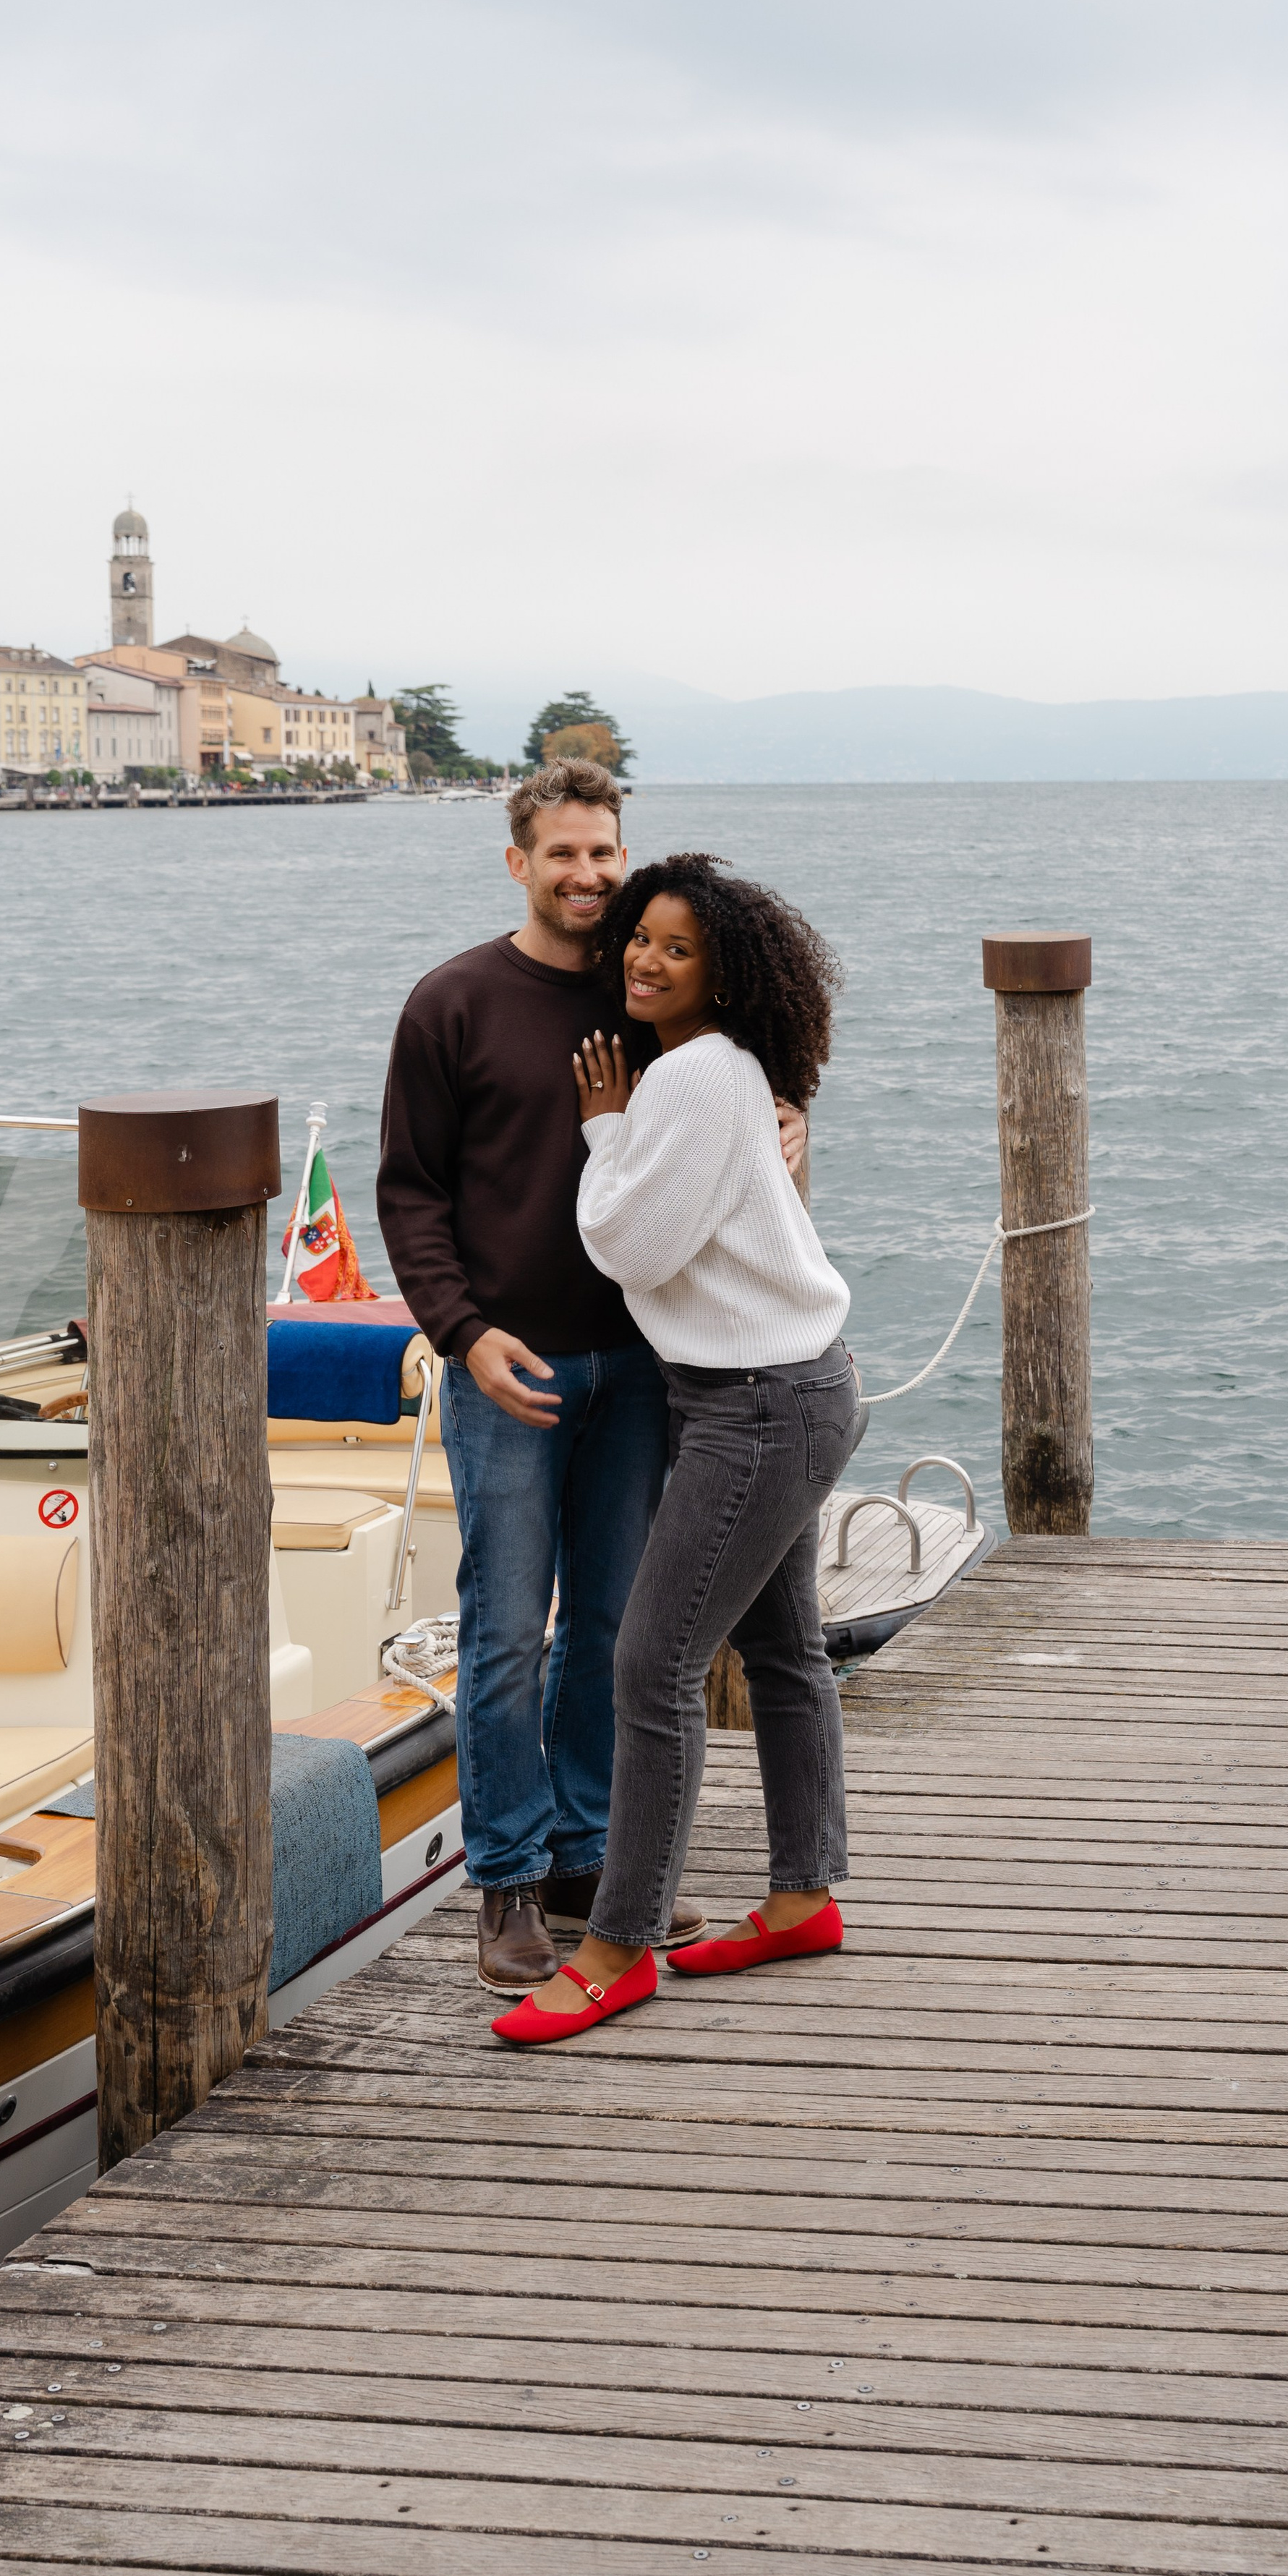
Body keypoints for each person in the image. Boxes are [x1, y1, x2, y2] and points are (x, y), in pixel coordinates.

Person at [377, 762, 806, 1992]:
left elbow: (741, 1102)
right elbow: (410, 1190)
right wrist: (461, 1333)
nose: (588, 877)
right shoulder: (451, 1002)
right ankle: (506, 1877)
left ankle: (587, 1859)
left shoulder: (661, 999)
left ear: (628, 856)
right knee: (506, 1632)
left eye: (606, 854)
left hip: (642, 1368)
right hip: (506, 1367)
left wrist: (792, 1123)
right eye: (563, 855)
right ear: (519, 862)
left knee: (614, 1633)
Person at [492, 852, 865, 2046]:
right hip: (779, 1389)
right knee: (787, 1652)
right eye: (640, 939)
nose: (646, 959)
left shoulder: (698, 1079)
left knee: (651, 1668)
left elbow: (632, 1250)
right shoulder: (717, 1072)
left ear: (724, 973)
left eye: (677, 948)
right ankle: (802, 1898)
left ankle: (618, 1944)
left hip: (758, 1403)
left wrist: (604, 1131)